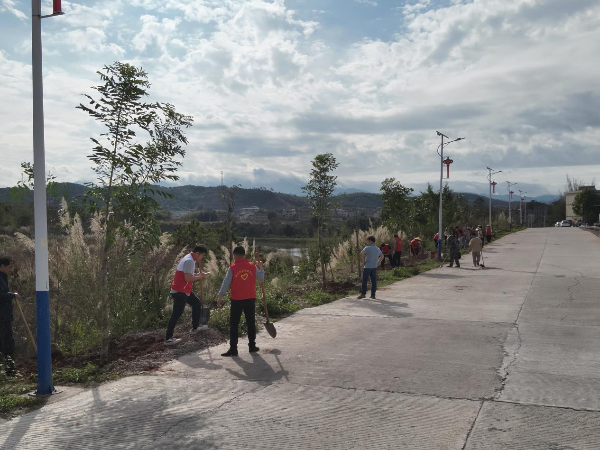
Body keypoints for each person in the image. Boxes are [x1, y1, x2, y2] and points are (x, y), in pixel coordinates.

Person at [217, 246, 265, 357]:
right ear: (244, 255)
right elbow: (261, 278)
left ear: (235, 255)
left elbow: (226, 282)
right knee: (250, 323)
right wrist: (261, 268)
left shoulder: (233, 267)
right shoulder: (252, 266)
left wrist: (220, 296)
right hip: (250, 298)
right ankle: (252, 346)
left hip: (237, 300)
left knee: (234, 324)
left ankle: (233, 349)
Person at [165, 245, 211, 345]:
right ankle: (168, 338)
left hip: (184, 290)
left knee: (196, 303)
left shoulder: (190, 259)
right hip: (180, 291)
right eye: (202, 255)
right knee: (176, 314)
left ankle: (195, 327)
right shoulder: (189, 261)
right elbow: (188, 278)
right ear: (197, 253)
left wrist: (200, 275)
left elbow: (189, 275)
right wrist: (200, 277)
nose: (202, 257)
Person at [0, 257, 17, 376]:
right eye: (9, 267)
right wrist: (12, 295)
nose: (11, 270)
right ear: (2, 266)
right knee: (7, 343)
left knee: (7, 342)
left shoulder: (3, 277)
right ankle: (9, 371)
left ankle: (8, 369)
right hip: (2, 317)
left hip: (5, 316)